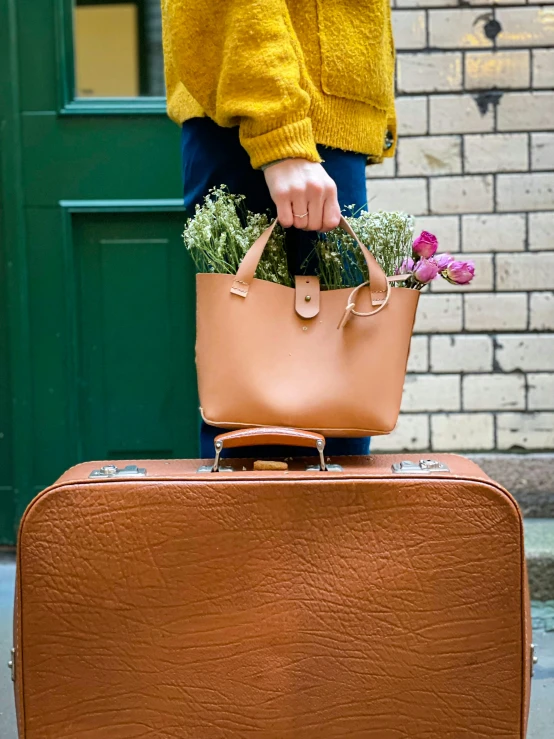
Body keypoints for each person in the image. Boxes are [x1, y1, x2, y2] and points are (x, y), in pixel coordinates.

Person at [161, 0, 397, 458]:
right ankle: (261, 531)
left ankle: (326, 530)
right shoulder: (281, 134)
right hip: (276, 126)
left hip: (307, 127)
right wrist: (279, 137)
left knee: (337, 399)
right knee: (260, 411)